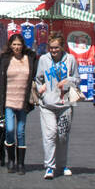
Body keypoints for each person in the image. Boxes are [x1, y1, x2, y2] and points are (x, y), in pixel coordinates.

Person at [33, 33, 79, 179]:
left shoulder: (71, 60)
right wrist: (41, 89)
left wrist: (68, 81)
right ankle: (49, 166)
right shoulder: (43, 60)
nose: (53, 51)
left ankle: (62, 164)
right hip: (48, 104)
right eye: (51, 48)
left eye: (56, 48)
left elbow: (77, 79)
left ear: (62, 47)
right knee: (50, 134)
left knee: (63, 136)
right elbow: (38, 78)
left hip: (65, 103)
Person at [0, 31, 37, 174]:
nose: (17, 47)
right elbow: (1, 81)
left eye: (19, 44)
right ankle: (11, 160)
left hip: (23, 101)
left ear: (23, 45)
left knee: (20, 132)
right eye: (14, 44)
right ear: (10, 45)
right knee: (10, 130)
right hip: (8, 100)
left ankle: (20, 163)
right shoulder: (5, 59)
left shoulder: (30, 58)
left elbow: (36, 76)